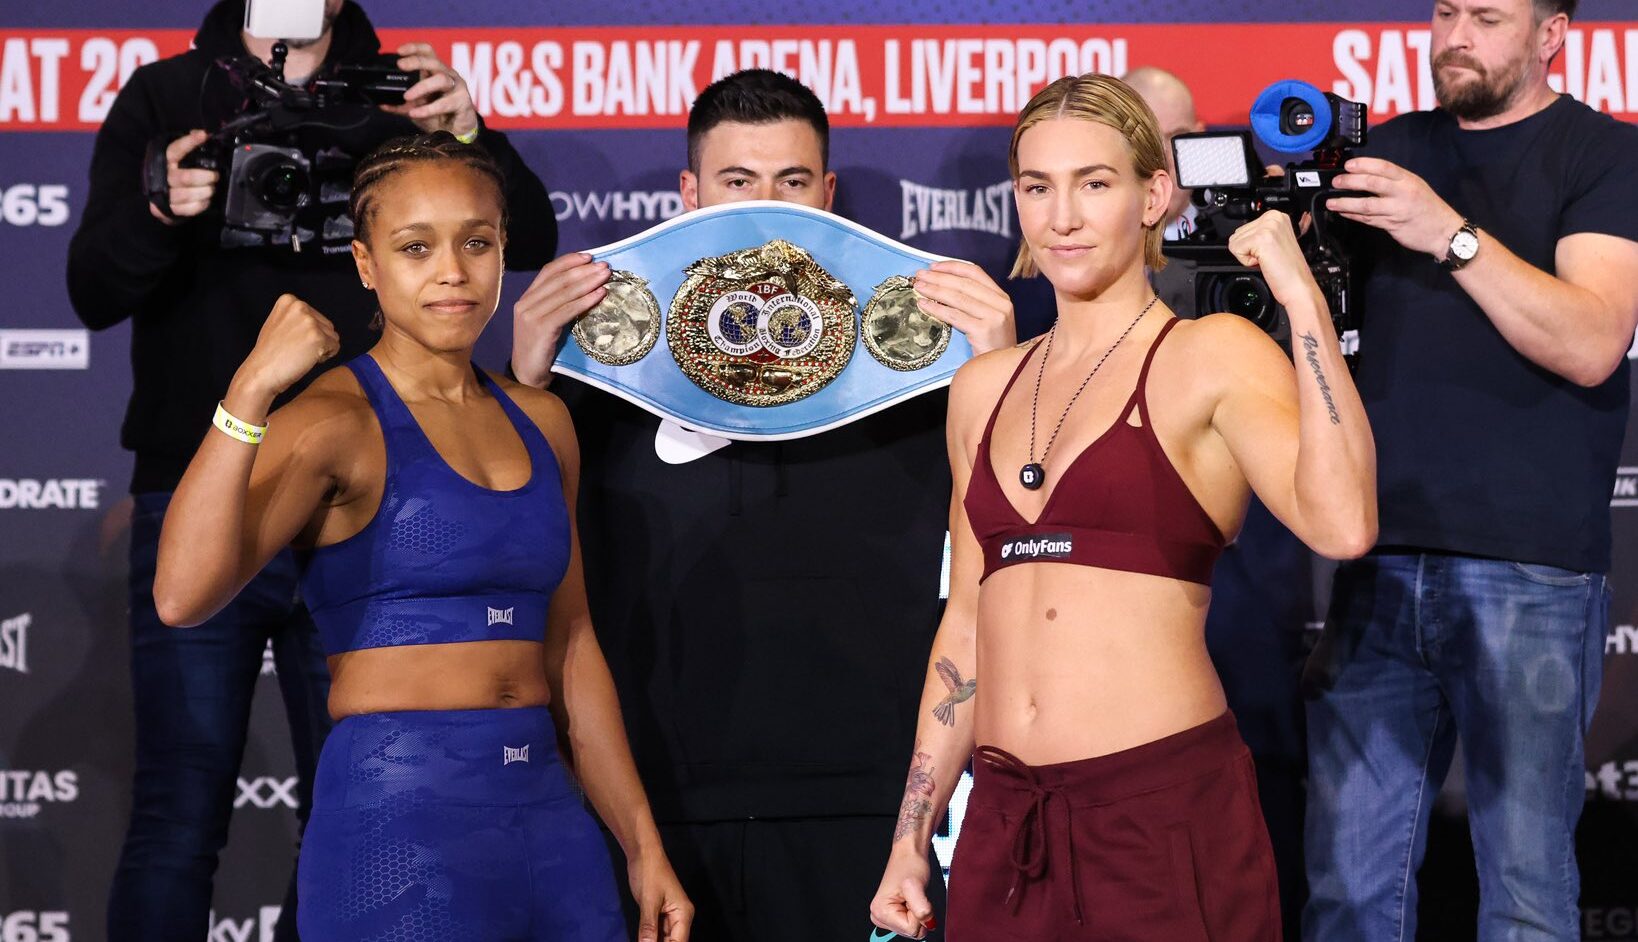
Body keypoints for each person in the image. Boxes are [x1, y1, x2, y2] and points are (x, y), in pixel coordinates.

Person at [64, 2, 554, 938]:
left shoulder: (399, 89)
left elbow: (520, 236)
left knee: (359, 797)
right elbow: (94, 287)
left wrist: (468, 131)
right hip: (200, 477)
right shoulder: (169, 95)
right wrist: (163, 205)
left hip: (373, 493)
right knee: (179, 807)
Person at [507, 69, 1015, 940]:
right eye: (738, 182)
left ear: (829, 194)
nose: (766, 204)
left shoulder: (929, 364)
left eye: (791, 182)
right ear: (689, 193)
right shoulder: (595, 367)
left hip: (865, 803)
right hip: (654, 811)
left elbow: (1008, 550)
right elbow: (512, 551)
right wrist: (526, 379)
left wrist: (995, 367)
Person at [868, 73, 1377, 940]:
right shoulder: (981, 387)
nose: (1061, 217)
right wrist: (912, 834)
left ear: (1154, 195)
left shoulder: (1212, 355)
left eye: (1093, 183)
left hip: (1161, 816)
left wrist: (1301, 304)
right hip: (1006, 824)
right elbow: (966, 626)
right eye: (1038, 186)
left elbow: (1344, 523)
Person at [149, 132, 691, 942]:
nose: (453, 271)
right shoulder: (334, 421)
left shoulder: (543, 420)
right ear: (367, 264)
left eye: (477, 242)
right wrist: (252, 387)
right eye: (416, 247)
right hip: (397, 827)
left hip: (549, 821)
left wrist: (643, 847)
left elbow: (571, 643)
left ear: (504, 248)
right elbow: (181, 597)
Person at [1300, 0, 1638, 938]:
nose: (1455, 35)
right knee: (1348, 891)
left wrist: (1445, 231)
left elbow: (1592, 341)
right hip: (1373, 559)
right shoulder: (1379, 153)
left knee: (1526, 895)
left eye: (1487, 16)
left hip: (1528, 564)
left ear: (1553, 36)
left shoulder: (1604, 154)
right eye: (1446, 11)